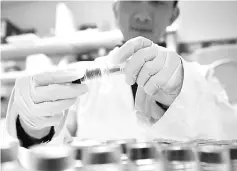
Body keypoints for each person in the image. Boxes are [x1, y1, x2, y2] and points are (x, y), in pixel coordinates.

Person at [5, 1, 237, 148]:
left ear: (173, 15)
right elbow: (55, 147)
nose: (143, 15)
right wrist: (33, 130)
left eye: (157, 2)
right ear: (116, 10)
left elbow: (227, 138)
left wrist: (184, 94)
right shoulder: (87, 77)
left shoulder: (201, 77)